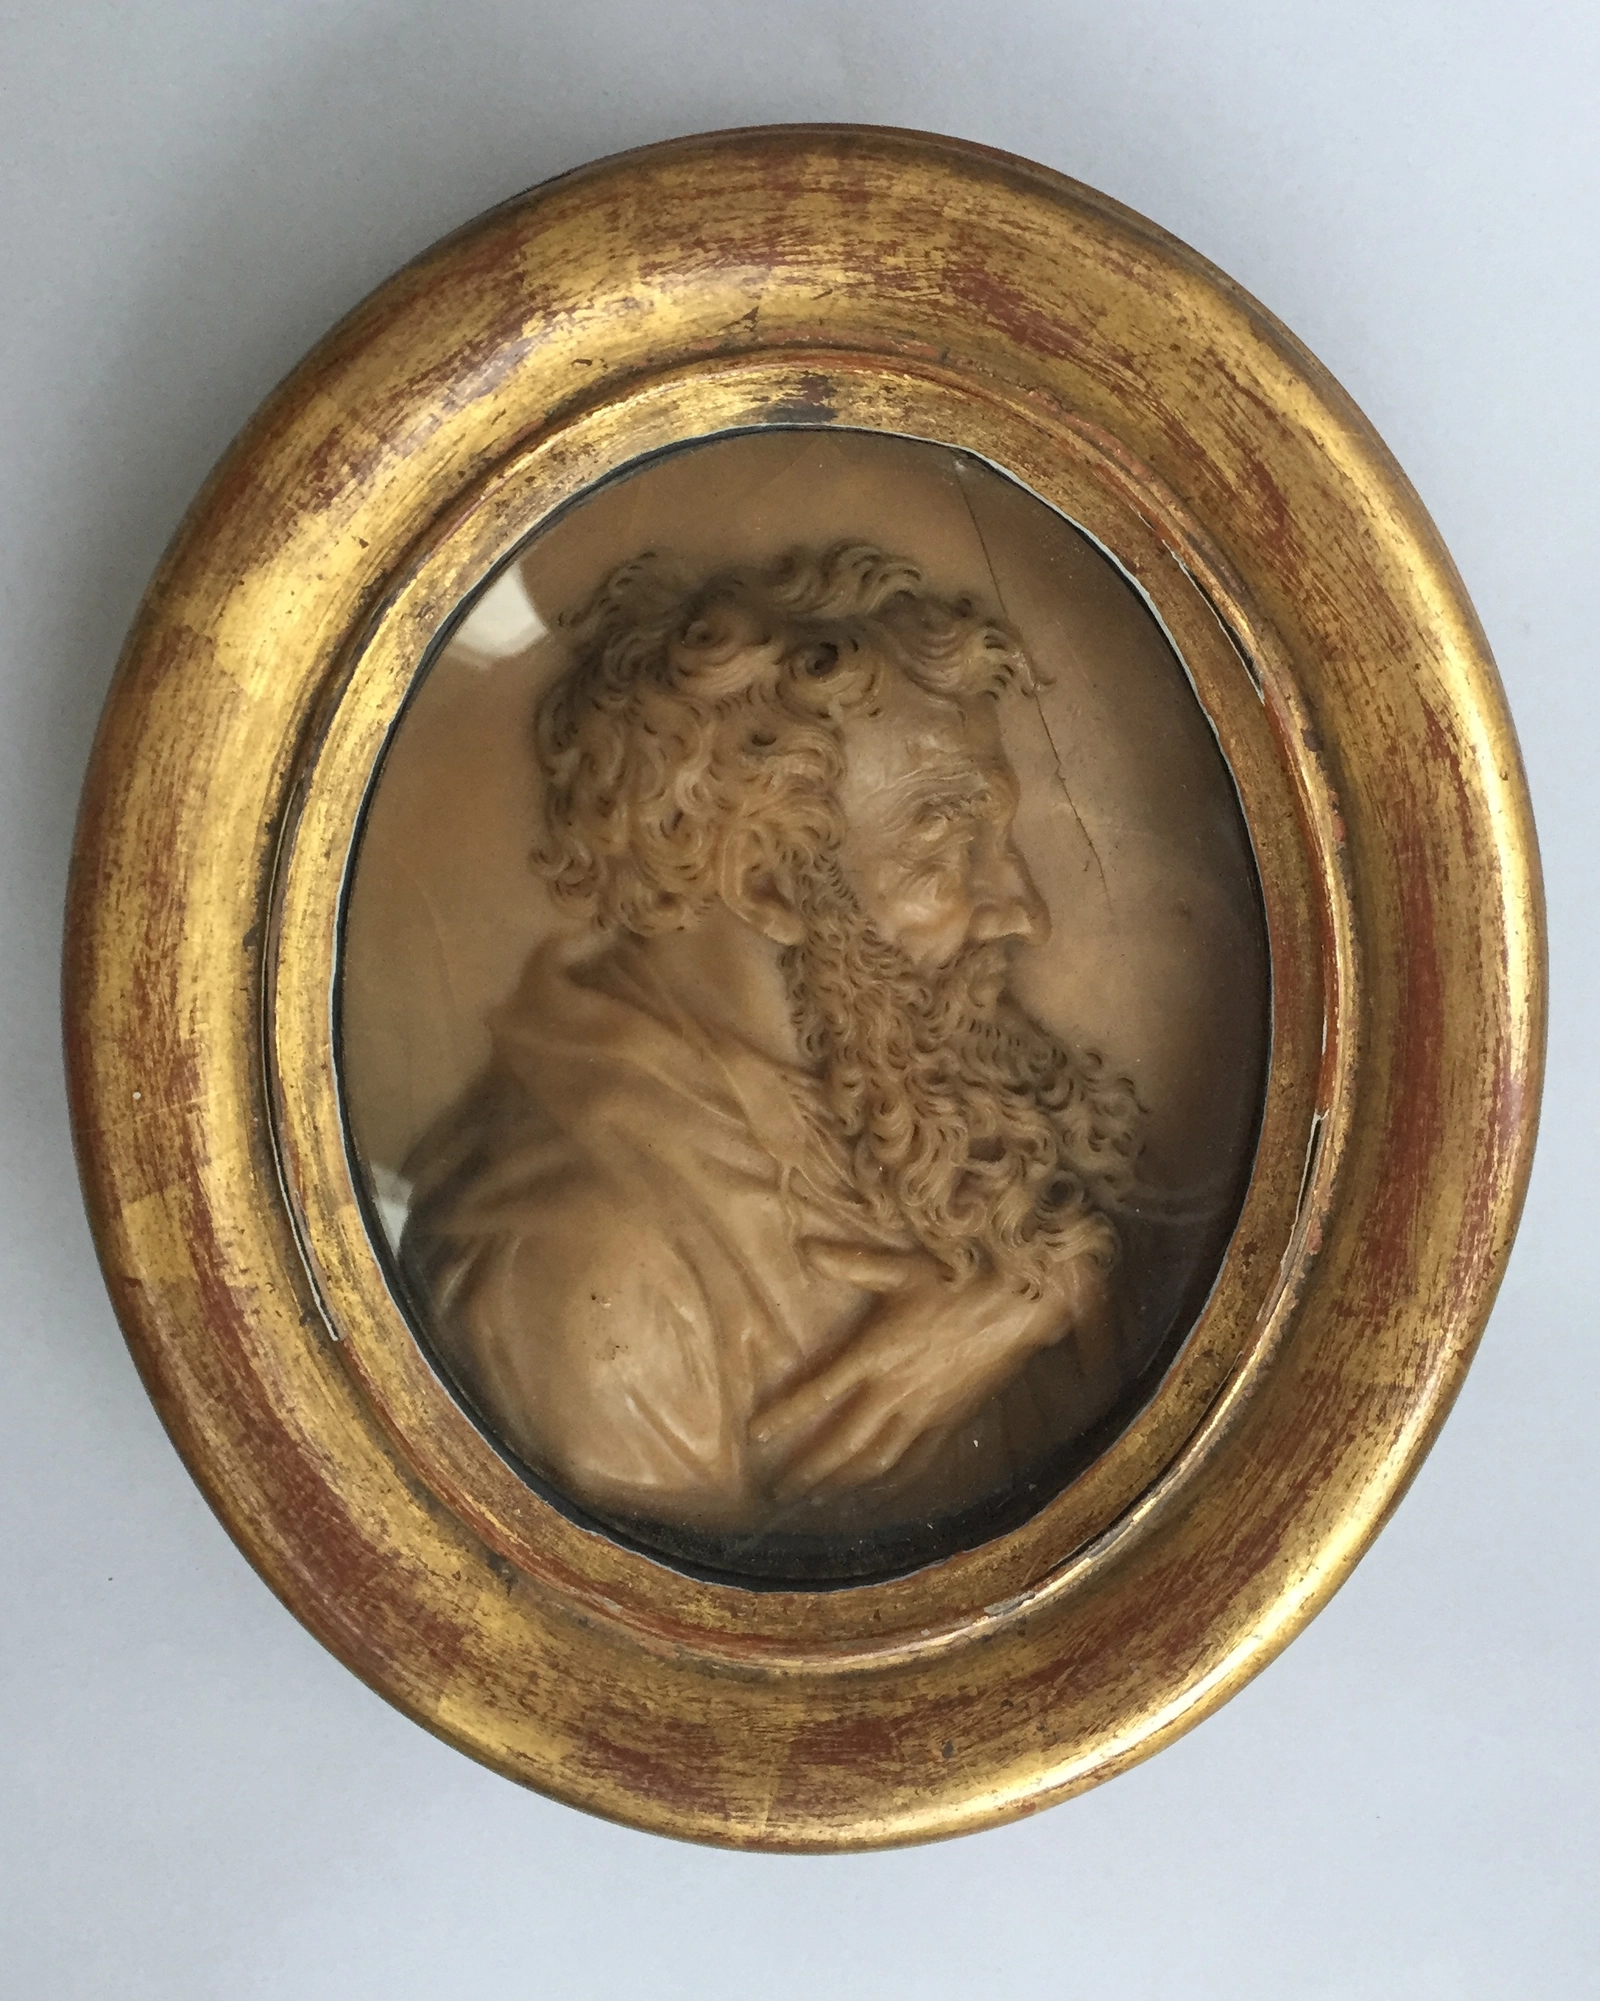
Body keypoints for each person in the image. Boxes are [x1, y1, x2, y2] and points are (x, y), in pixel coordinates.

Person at [400, 543, 1142, 1547]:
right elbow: (677, 1628)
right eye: (942, 844)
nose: (1022, 911)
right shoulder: (588, 1270)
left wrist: (1048, 1290)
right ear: (763, 881)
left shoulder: (879, 1074)